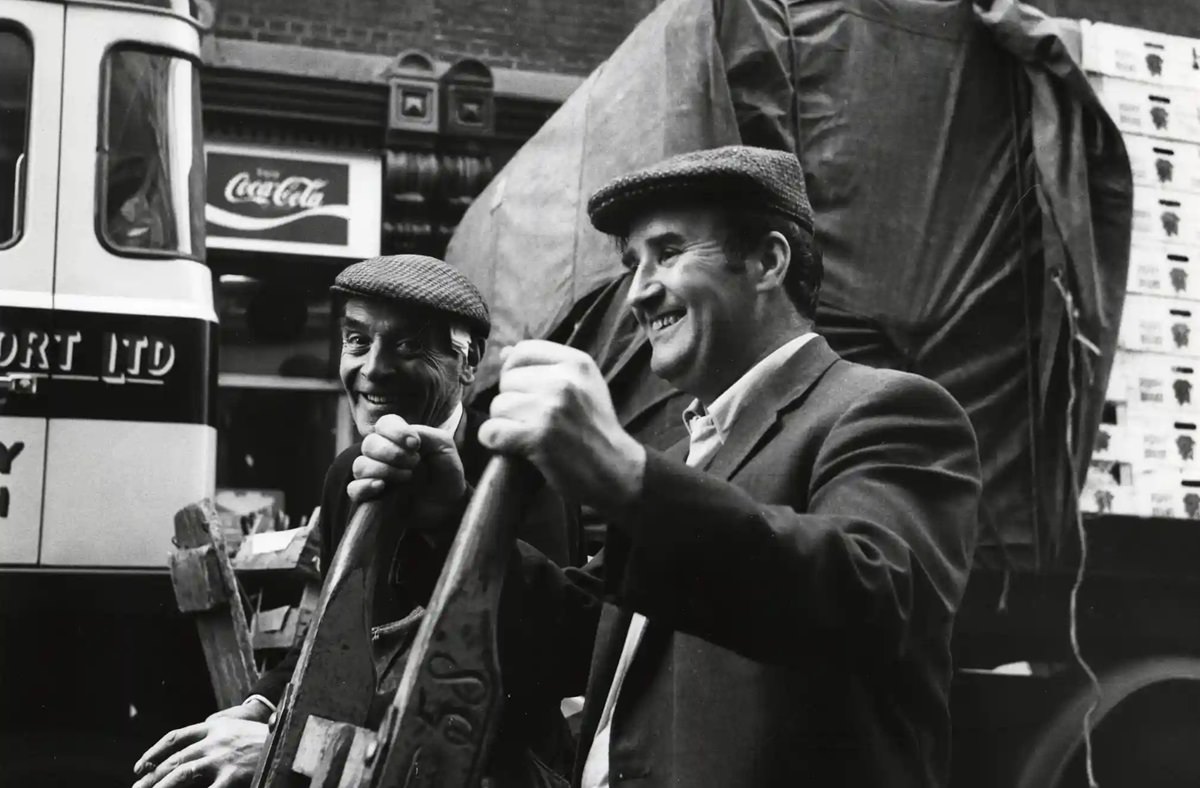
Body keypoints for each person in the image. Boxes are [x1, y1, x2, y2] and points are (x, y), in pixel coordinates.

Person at [353, 145, 983, 786]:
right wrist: (451, 519)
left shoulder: (889, 410)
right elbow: (579, 637)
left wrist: (627, 478)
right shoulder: (685, 454)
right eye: (633, 264)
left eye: (670, 253)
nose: (638, 292)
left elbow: (868, 596)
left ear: (768, 261)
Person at [133, 255, 575, 788]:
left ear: (468, 361)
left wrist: (291, 742)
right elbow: (333, 627)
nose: (372, 369)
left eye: (408, 346)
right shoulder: (349, 470)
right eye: (357, 341)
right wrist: (257, 706)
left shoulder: (527, 470)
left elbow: (524, 673)